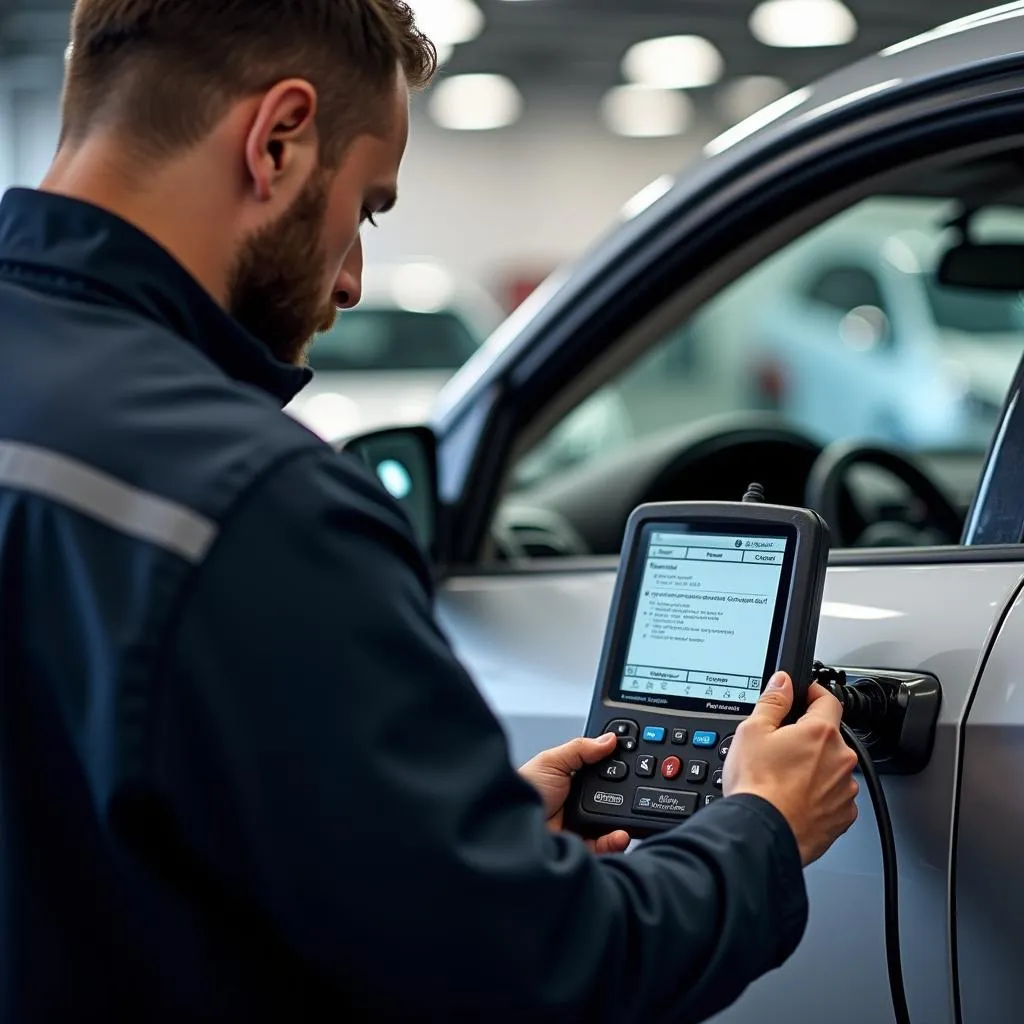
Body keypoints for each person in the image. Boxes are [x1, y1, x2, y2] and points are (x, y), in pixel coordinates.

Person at [0, 1, 859, 1021]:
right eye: (366, 207)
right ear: (277, 139)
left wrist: (453, 836)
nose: (355, 279)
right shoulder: (256, 505)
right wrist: (759, 827)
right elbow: (541, 974)